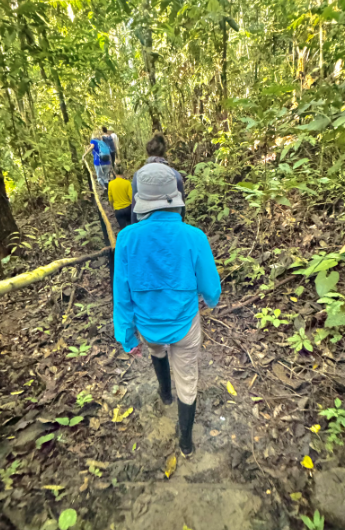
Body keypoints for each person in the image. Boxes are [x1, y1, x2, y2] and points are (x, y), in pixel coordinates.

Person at [113, 163, 221, 457]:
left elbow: (121, 295)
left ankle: (164, 394)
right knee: (188, 380)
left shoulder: (125, 239)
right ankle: (185, 443)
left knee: (157, 351)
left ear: (140, 202)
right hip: (185, 326)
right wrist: (208, 301)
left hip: (148, 327)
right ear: (176, 197)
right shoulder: (194, 236)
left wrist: (127, 336)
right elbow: (212, 290)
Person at [131, 132, 185, 224]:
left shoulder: (138, 175)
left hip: (146, 226)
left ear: (148, 151)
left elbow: (135, 206)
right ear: (163, 151)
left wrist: (134, 227)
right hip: (171, 224)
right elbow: (181, 206)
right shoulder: (175, 174)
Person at [108, 164, 132, 230]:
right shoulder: (127, 183)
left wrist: (112, 207)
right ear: (123, 172)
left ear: (114, 173)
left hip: (118, 209)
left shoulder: (111, 184)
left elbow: (110, 198)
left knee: (123, 229)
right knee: (130, 226)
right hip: (128, 208)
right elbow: (131, 196)